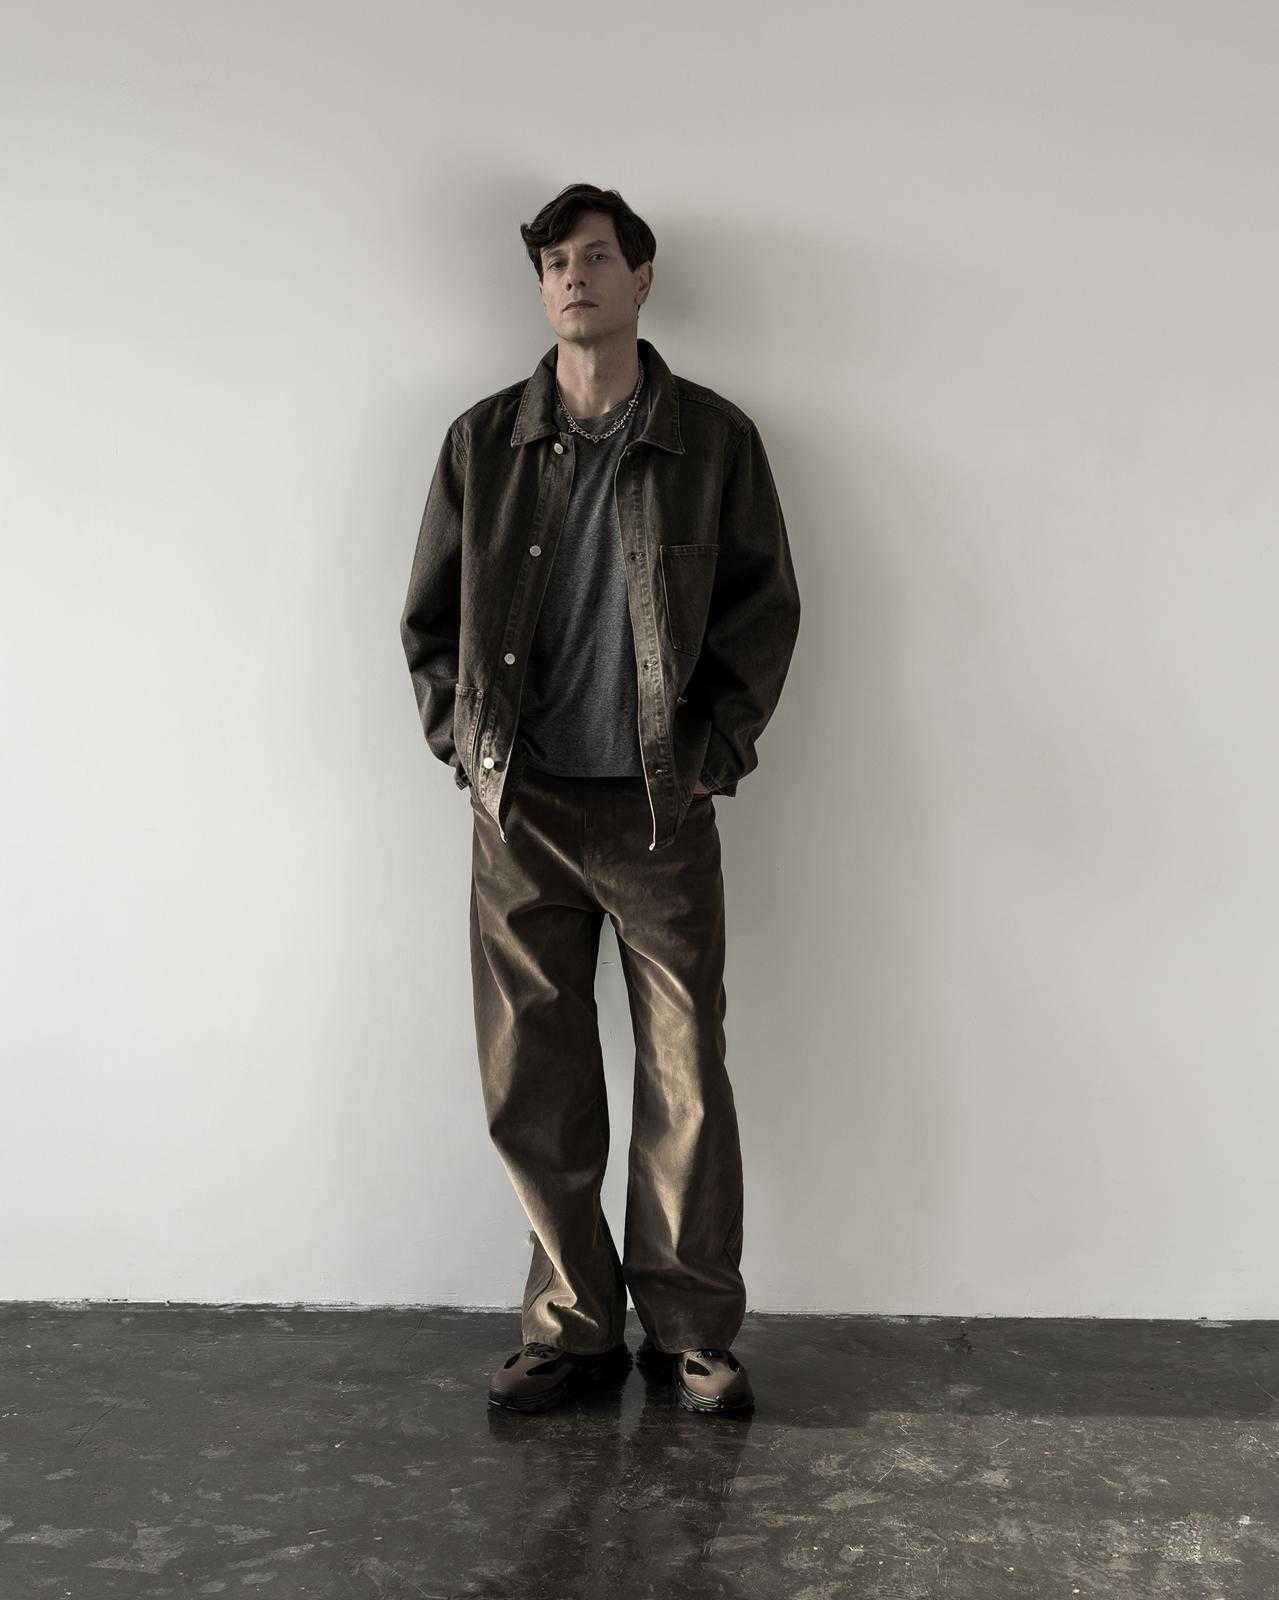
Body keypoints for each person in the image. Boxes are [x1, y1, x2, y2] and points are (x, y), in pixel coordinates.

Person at [400, 183, 800, 1415]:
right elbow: (429, 622)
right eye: (553, 263)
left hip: (656, 812)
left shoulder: (713, 441)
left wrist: (711, 754)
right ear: (540, 290)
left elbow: (763, 611)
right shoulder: (482, 443)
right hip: (521, 813)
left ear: (642, 278)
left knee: (686, 1072)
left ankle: (690, 1331)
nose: (573, 277)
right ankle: (571, 1325)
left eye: (594, 257)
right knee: (535, 1074)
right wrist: (468, 754)